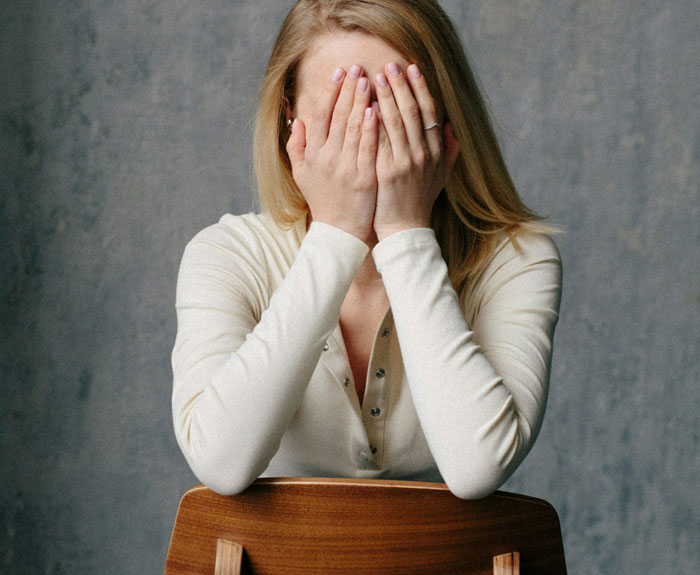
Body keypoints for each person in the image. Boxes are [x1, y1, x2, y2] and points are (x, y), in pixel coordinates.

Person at [171, 0, 562, 499]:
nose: (372, 132)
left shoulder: (517, 259)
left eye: (400, 105)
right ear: (290, 118)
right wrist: (335, 234)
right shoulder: (226, 255)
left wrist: (404, 231)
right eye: (342, 110)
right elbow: (220, 464)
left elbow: (477, 468)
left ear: (444, 119)